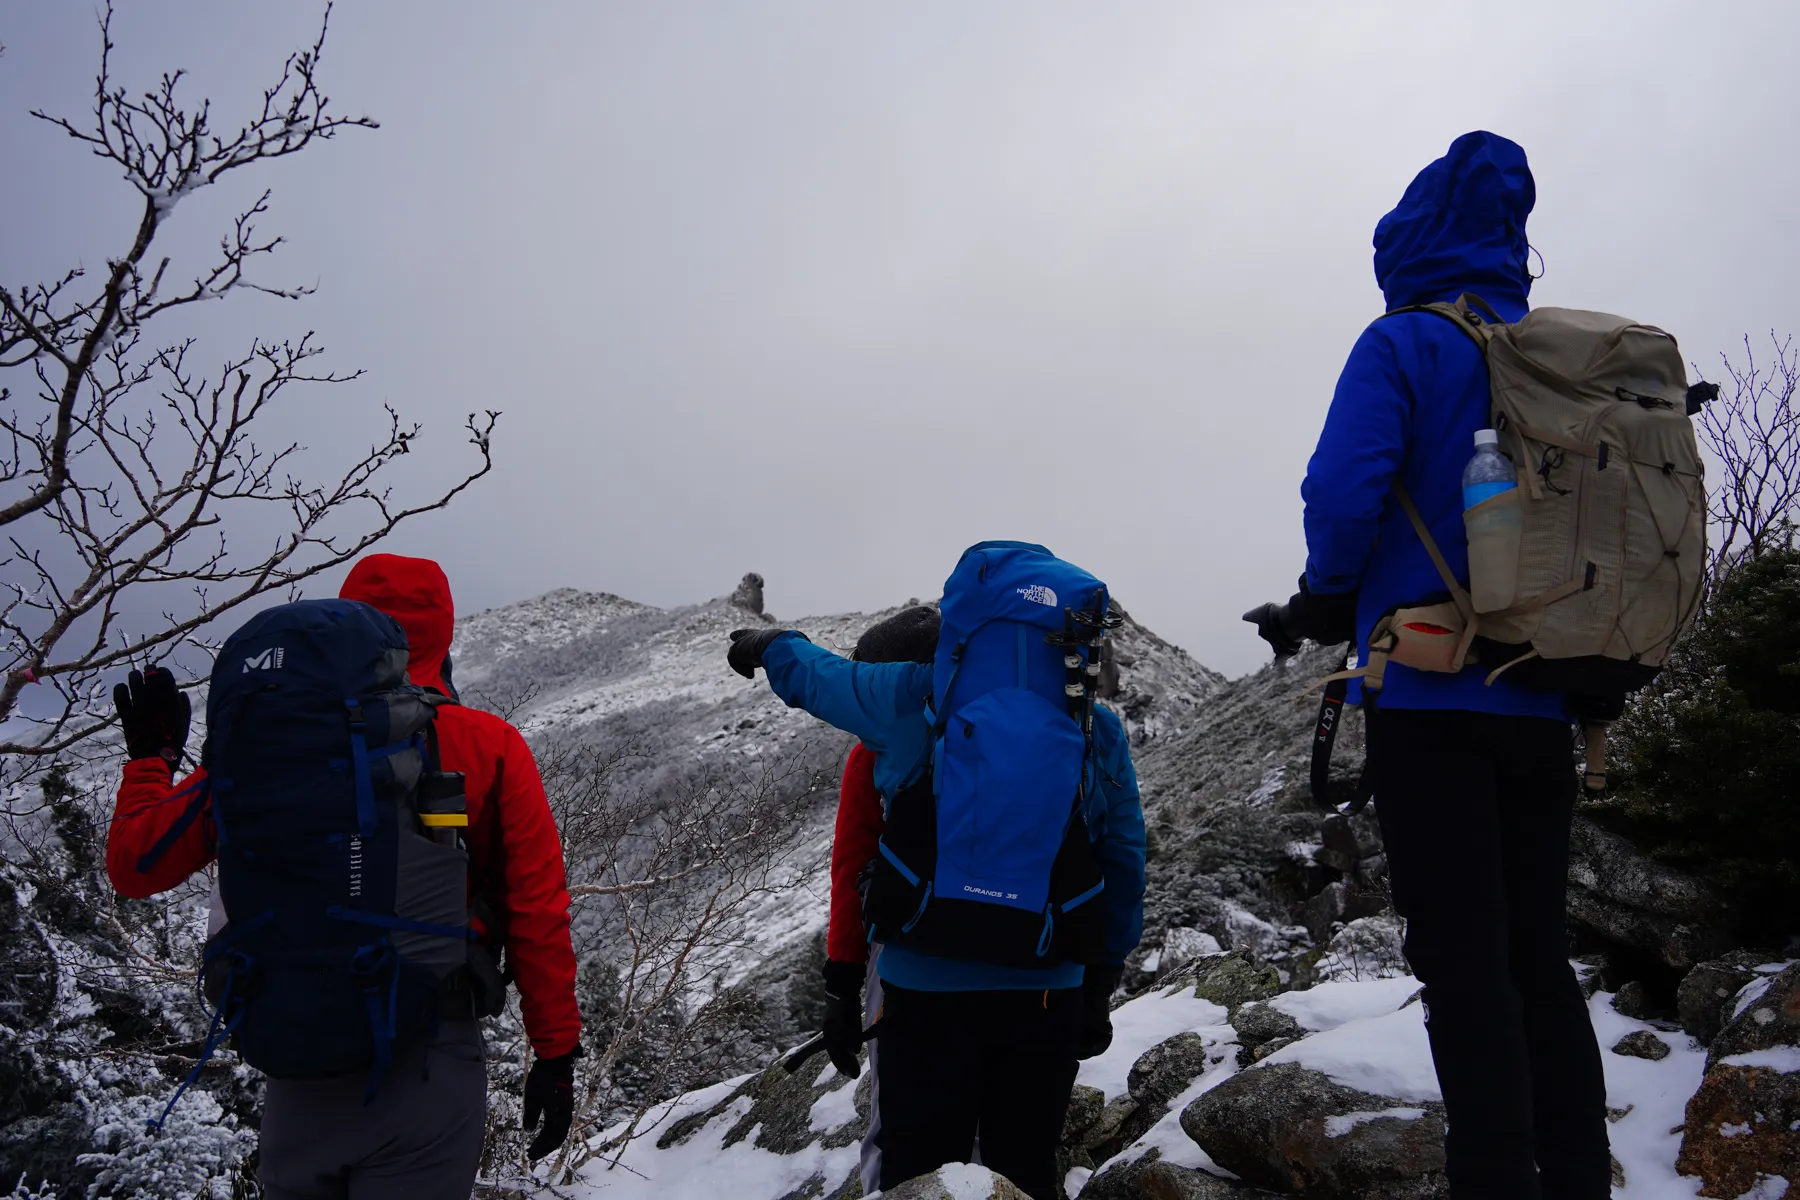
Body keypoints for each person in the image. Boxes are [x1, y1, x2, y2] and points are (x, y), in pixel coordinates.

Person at [1278, 131, 1609, 1199]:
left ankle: (1494, 1181)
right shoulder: (1564, 356)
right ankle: (1575, 1180)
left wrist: (1328, 591)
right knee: (1536, 962)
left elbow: (1341, 493)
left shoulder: (1405, 343)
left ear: (1409, 244)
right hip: (1545, 699)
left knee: (1462, 966)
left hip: (1426, 695)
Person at [105, 553, 582, 1199]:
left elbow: (135, 865)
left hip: (297, 1059)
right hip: (429, 1053)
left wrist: (152, 760)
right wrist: (554, 1053)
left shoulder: (270, 746)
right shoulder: (486, 742)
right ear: (443, 635)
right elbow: (537, 910)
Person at [730, 544, 1145, 1200]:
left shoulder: (910, 701)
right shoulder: (1098, 731)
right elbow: (1123, 859)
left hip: (923, 992)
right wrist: (1102, 978)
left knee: (918, 1172)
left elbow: (819, 679)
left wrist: (770, 643)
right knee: (1026, 1167)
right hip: (1048, 990)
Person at [818, 605, 942, 1196]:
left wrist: (842, 986)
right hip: (1026, 957)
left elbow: (850, 869)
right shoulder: (1013, 736)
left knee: (896, 1130)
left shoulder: (872, 756)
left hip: (904, 963)